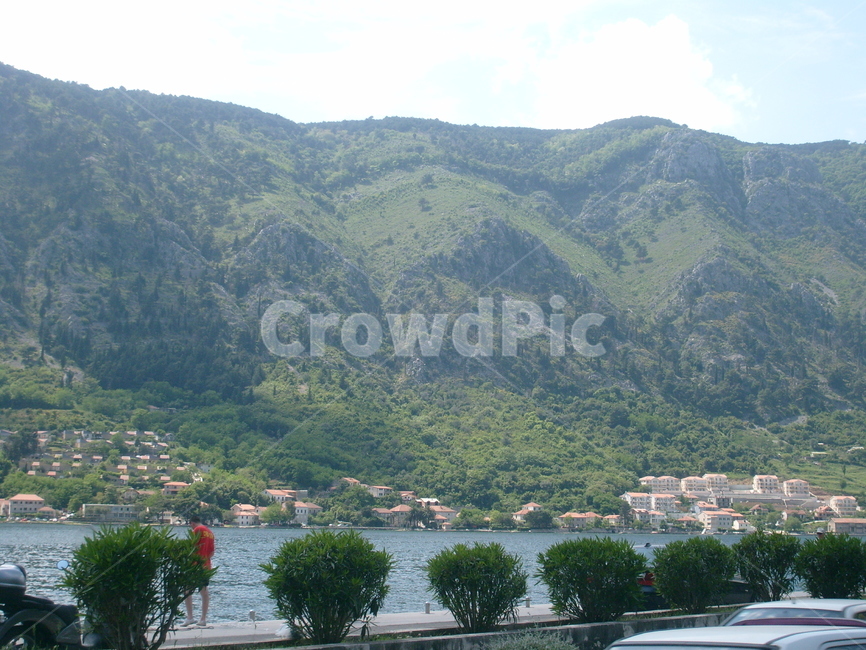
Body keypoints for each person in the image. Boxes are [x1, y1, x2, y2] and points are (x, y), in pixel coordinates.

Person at [183, 516, 215, 627]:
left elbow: (191, 546)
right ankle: (203, 619)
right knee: (204, 592)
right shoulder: (210, 533)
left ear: (192, 523)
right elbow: (211, 553)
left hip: (195, 565)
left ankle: (190, 617)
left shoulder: (197, 530)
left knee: (187, 590)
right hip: (206, 566)